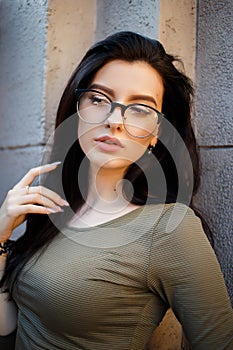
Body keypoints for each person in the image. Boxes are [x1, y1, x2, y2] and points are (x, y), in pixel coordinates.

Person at [0, 31, 232, 350]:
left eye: (140, 108)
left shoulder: (169, 230)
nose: (114, 121)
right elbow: (11, 326)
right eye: (98, 99)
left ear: (156, 133)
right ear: (77, 109)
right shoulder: (53, 206)